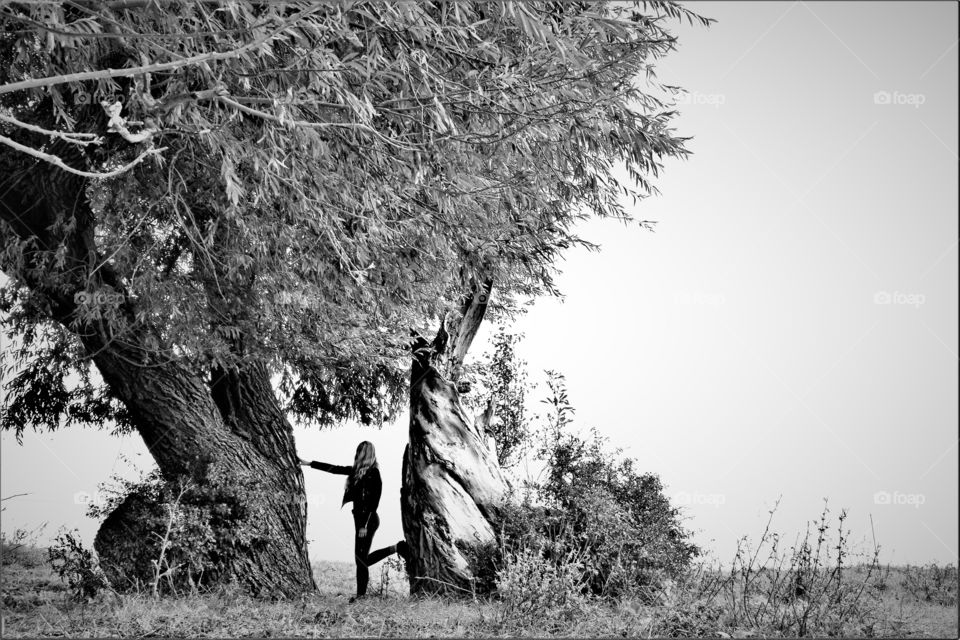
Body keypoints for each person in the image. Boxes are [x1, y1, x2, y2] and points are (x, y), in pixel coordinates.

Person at [299, 441, 410, 601]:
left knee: (360, 560)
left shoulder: (374, 474)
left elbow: (374, 503)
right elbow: (334, 469)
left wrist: (364, 525)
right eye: (357, 451)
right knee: (361, 559)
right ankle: (395, 549)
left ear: (366, 454)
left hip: (368, 522)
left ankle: (361, 595)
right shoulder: (356, 472)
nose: (357, 454)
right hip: (360, 521)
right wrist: (309, 463)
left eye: (360, 452)